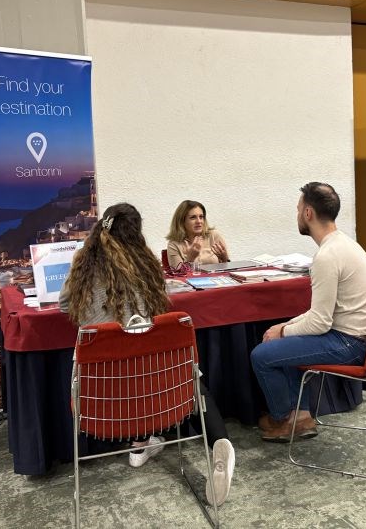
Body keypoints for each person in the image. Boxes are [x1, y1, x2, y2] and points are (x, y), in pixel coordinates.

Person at [59, 203, 234, 506]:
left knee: (124, 366)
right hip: (159, 390)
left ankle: (140, 443)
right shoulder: (147, 265)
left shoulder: (84, 265)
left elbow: (65, 305)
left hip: (103, 397)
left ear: (102, 228)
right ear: (137, 233)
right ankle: (219, 442)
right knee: (189, 378)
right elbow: (161, 301)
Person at [250, 182, 366, 442]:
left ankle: (283, 419)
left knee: (262, 355)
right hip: (360, 338)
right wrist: (285, 328)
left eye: (298, 209)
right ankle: (300, 417)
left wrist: (282, 331)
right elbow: (320, 315)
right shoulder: (346, 243)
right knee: (286, 341)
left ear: (308, 213)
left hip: (350, 343)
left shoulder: (326, 256)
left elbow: (320, 323)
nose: (297, 214)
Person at [166, 200, 229, 268]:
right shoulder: (174, 244)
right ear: (181, 221)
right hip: (189, 276)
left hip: (216, 275)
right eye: (193, 217)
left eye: (201, 217)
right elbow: (177, 273)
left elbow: (228, 268)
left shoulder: (214, 235)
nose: (199, 221)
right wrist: (190, 259)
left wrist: (225, 258)